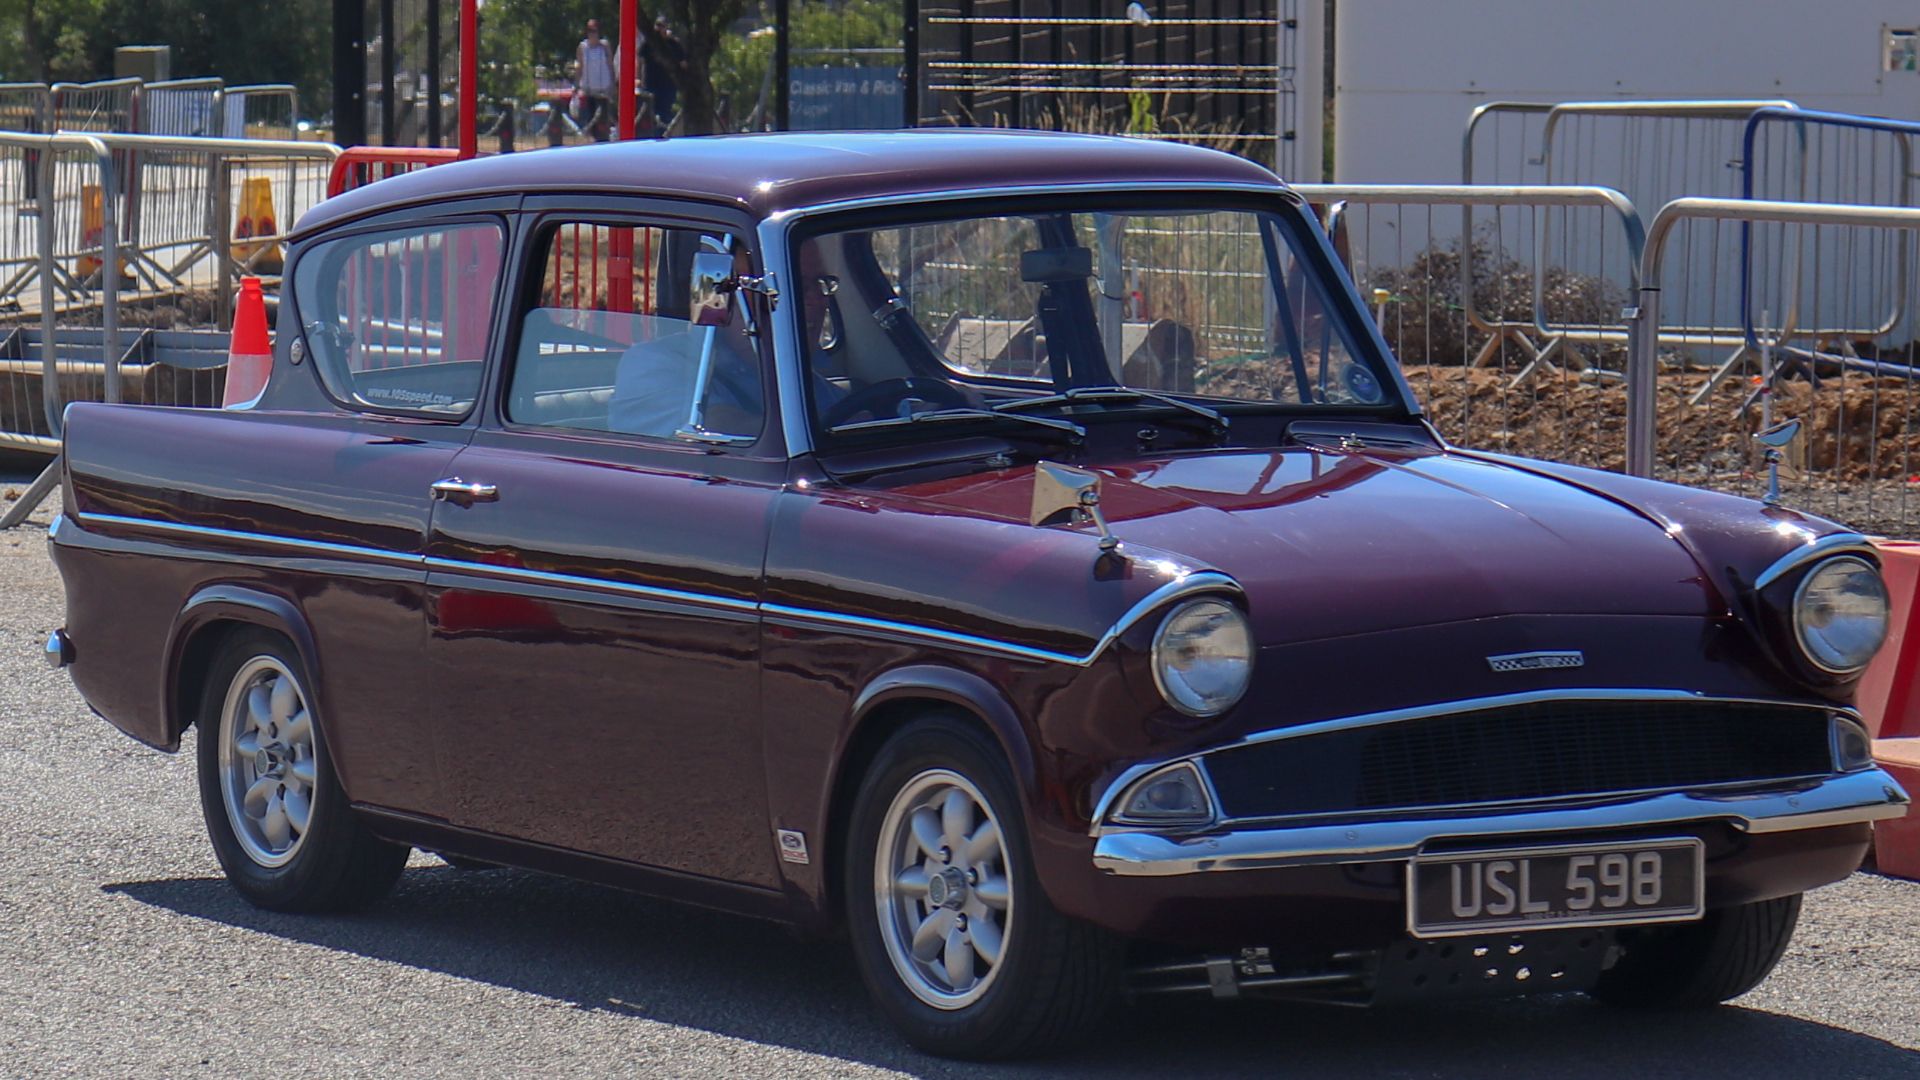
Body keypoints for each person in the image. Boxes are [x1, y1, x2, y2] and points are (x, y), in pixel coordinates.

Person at [575, 19, 615, 142]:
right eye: (589, 31)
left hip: (603, 90)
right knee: (590, 120)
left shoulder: (604, 46)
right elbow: (579, 66)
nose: (592, 34)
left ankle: (604, 140)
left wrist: (613, 84)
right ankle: (592, 140)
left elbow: (610, 65)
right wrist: (576, 86)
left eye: (594, 31)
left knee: (603, 122)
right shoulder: (583, 47)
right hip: (589, 91)